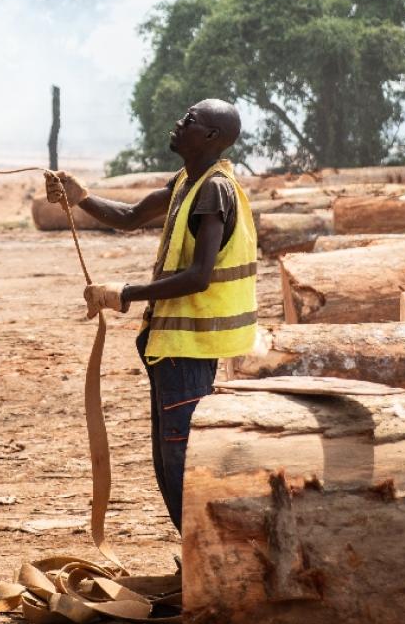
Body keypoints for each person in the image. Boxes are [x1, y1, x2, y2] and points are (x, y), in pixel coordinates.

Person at [44, 99, 258, 534]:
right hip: (172, 348)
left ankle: (203, 562)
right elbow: (129, 217)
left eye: (191, 121)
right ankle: (196, 560)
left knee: (180, 458)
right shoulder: (187, 182)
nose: (179, 123)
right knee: (168, 455)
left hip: (189, 349)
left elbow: (199, 277)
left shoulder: (214, 191)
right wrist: (81, 196)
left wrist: (126, 294)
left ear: (212, 138)